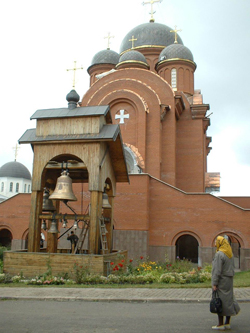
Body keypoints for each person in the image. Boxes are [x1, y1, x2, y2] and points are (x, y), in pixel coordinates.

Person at [211, 235, 240, 330]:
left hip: (222, 280)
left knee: (219, 301)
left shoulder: (219, 254)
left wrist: (215, 283)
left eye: (216, 241)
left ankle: (220, 324)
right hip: (229, 280)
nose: (215, 243)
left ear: (220, 243)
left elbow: (217, 270)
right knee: (228, 300)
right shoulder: (229, 253)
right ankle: (227, 323)